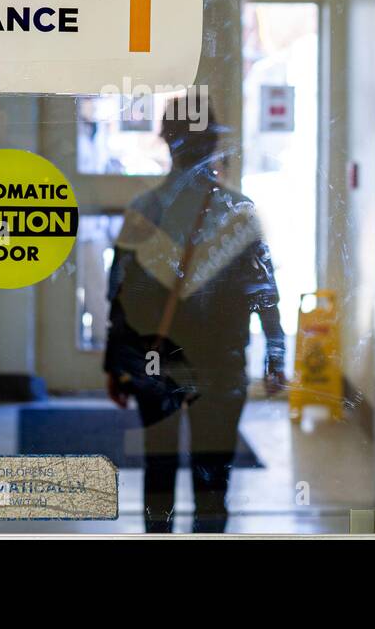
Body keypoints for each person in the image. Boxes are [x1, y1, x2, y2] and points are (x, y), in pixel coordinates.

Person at [103, 96, 285, 533]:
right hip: (221, 362)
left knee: (158, 476)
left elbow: (120, 293)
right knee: (212, 482)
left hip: (155, 359)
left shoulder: (145, 211)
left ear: (167, 140)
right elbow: (265, 292)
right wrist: (276, 354)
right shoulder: (238, 213)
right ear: (214, 145)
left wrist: (116, 363)